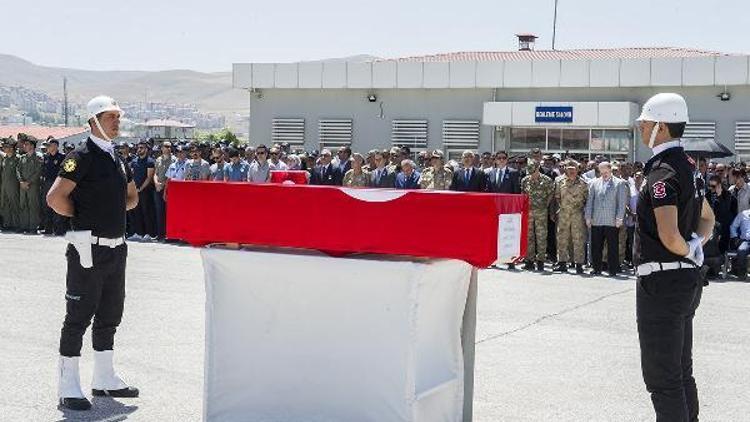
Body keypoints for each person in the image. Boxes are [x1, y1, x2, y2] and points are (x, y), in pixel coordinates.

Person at [46, 95, 140, 411]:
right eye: (110, 116)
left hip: (116, 247)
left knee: (110, 314)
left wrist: (110, 210)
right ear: (94, 120)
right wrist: (83, 218)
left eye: (118, 116)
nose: (117, 121)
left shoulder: (117, 157)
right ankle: (68, 384)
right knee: (78, 316)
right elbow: (55, 198)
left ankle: (104, 378)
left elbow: (132, 197)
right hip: (86, 246)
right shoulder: (80, 156)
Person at [634, 93, 715, 422]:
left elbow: (668, 234)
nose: (641, 128)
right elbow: (707, 217)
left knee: (662, 378)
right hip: (684, 279)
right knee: (681, 372)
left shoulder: (662, 171)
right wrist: (697, 244)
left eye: (646, 123)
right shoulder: (689, 167)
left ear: (661, 127)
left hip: (662, 282)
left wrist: (685, 246)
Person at [585, 161, 627, 276]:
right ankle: (596, 268)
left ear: (610, 170)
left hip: (612, 221)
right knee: (596, 246)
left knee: (612, 246)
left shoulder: (619, 183)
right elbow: (590, 201)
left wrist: (619, 218)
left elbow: (622, 202)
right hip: (597, 220)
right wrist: (588, 217)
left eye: (605, 171)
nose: (604, 174)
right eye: (601, 172)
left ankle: (612, 269)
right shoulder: (594, 183)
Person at [553, 160, 588, 274]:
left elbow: (586, 199)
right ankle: (562, 262)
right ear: (566, 170)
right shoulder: (559, 181)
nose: (572, 172)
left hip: (577, 214)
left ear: (577, 170)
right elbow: (557, 197)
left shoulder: (583, 183)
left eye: (574, 169)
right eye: (569, 169)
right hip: (564, 214)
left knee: (578, 239)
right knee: (562, 239)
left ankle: (579, 264)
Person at [521, 160, 554, 271]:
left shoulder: (546, 180)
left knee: (541, 237)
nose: (531, 174)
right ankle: (529, 260)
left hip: (541, 212)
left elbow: (550, 195)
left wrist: (545, 206)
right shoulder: (525, 181)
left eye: (533, 171)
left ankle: (540, 261)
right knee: (529, 236)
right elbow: (523, 195)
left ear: (537, 168)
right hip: (529, 212)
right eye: (530, 171)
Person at [128, 141, 156, 241]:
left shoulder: (150, 161)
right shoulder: (134, 161)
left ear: (146, 149)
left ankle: (150, 234)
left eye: (141, 148)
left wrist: (140, 188)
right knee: (136, 212)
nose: (139, 149)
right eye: (138, 147)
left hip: (146, 191)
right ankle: (139, 233)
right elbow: (131, 174)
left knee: (147, 212)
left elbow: (149, 178)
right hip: (135, 191)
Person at [16, 135, 43, 233]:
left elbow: (38, 171)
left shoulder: (38, 157)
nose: (24, 146)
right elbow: (18, 169)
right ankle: (24, 226)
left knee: (33, 206)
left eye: (26, 144)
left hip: (33, 186)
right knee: (23, 205)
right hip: (23, 185)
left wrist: (28, 182)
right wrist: (21, 181)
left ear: (32, 146)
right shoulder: (23, 157)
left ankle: (33, 227)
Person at [41, 138, 68, 235]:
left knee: (57, 206)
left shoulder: (62, 157)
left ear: (56, 146)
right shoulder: (46, 157)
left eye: (50, 145)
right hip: (47, 183)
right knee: (47, 205)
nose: (47, 147)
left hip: (57, 183)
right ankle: (48, 228)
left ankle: (59, 229)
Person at [706, 174, 737, 254]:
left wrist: (719, 196)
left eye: (713, 186)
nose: (710, 188)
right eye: (709, 185)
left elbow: (724, 210)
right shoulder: (707, 195)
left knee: (722, 249)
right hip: (711, 225)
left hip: (723, 226)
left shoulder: (727, 195)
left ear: (719, 185)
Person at [153, 142, 175, 240]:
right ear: (162, 148)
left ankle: (168, 234)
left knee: (169, 213)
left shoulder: (174, 160)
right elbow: (155, 173)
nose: (168, 148)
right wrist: (156, 183)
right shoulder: (158, 159)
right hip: (158, 188)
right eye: (166, 146)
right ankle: (160, 234)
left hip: (169, 189)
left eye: (170, 146)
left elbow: (171, 175)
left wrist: (163, 185)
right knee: (159, 212)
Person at [0, 138, 21, 231]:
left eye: (6, 146)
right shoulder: (5, 159)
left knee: (14, 205)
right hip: (4, 185)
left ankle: (16, 224)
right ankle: (7, 224)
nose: (4, 148)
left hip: (13, 185)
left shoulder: (17, 158)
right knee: (5, 205)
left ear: (11, 148)